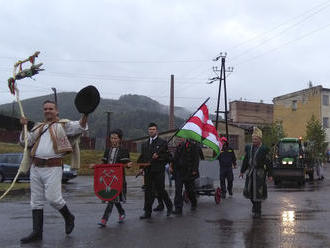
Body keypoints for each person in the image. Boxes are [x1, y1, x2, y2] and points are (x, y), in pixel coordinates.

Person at [19, 100, 88, 243]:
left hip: (53, 166)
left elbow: (80, 126)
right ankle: (37, 233)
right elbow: (25, 142)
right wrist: (24, 127)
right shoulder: (38, 127)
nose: (47, 111)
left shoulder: (63, 125)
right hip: (36, 167)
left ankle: (69, 217)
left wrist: (86, 113)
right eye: (45, 109)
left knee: (53, 199)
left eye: (50, 108)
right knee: (36, 201)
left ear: (56, 111)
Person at [97, 129, 132, 227]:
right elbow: (103, 163)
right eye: (112, 138)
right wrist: (96, 166)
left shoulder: (124, 150)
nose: (113, 140)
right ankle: (121, 212)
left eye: (115, 138)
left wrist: (128, 165)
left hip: (118, 179)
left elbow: (126, 164)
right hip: (108, 179)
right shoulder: (107, 150)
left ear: (120, 139)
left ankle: (104, 219)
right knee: (113, 198)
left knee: (112, 198)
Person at [137, 122, 173, 219]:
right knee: (148, 191)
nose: (151, 131)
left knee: (160, 190)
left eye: (153, 129)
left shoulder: (162, 143)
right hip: (148, 171)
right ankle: (147, 212)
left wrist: (159, 157)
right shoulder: (144, 144)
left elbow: (168, 157)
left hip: (158, 171)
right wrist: (141, 169)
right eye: (150, 129)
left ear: (157, 131)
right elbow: (142, 158)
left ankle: (169, 206)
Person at [239, 127, 272, 218]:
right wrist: (242, 171)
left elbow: (269, 162)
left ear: (260, 139)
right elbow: (245, 160)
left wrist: (270, 174)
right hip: (250, 173)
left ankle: (258, 210)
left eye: (256, 139)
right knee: (249, 191)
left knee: (258, 192)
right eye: (253, 139)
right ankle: (254, 205)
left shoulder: (264, 149)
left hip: (259, 173)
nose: (254, 140)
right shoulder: (249, 148)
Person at [170, 139, 199, 215]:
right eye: (179, 138)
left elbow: (196, 159)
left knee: (190, 191)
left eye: (182, 138)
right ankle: (178, 209)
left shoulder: (193, 146)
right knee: (178, 190)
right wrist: (171, 166)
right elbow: (175, 159)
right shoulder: (178, 147)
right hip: (179, 172)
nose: (180, 139)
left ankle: (194, 203)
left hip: (189, 172)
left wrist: (194, 170)